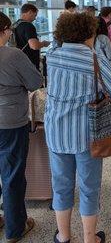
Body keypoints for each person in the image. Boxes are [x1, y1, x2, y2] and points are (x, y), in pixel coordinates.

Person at [45, 13, 111, 243]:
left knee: (61, 185)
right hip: (87, 136)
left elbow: (56, 44)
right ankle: (89, 238)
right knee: (88, 187)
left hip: (56, 133)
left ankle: (63, 236)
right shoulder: (93, 58)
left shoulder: (52, 56)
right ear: (89, 34)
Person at [0, 12, 43, 243]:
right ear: (5, 30)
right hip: (9, 121)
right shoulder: (12, 55)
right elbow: (35, 82)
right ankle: (15, 228)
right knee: (12, 175)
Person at [15, 3, 50, 70]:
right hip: (30, 62)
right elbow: (34, 46)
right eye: (35, 15)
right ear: (30, 12)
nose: (35, 18)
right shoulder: (28, 26)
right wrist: (44, 44)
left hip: (19, 60)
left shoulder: (15, 25)